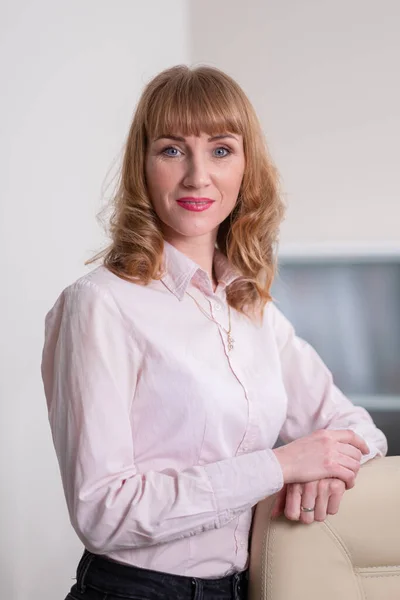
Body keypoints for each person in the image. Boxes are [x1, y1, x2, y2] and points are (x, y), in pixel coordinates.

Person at [41, 65, 387, 600]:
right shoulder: (99, 305)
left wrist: (323, 468)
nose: (197, 176)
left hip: (245, 588)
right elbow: (102, 511)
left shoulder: (251, 309)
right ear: (143, 165)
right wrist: (279, 465)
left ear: (246, 167)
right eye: (173, 150)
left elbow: (359, 427)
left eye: (221, 150)